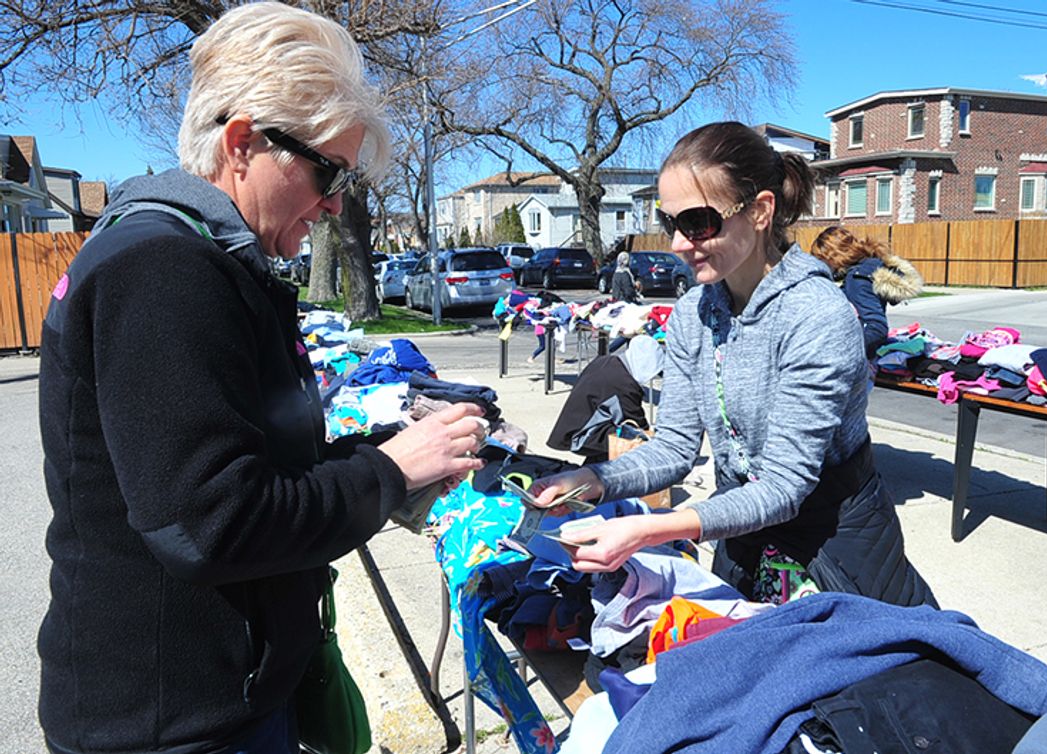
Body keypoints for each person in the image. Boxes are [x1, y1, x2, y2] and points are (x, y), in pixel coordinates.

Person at [36, 4, 486, 753]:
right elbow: (211, 524)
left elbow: (254, 466)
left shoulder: (207, 259)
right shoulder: (164, 269)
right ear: (242, 142)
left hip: (217, 699)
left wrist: (399, 450)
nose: (337, 200)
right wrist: (385, 471)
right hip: (176, 721)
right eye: (326, 170)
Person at [531, 121, 936, 609]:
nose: (679, 243)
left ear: (761, 211)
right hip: (740, 530)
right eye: (670, 222)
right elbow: (676, 448)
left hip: (835, 541)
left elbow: (785, 486)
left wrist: (651, 530)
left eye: (698, 221)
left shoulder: (817, 315)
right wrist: (595, 480)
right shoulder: (692, 312)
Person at [547, 334, 664, 464]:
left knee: (619, 432)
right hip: (579, 436)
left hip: (571, 427)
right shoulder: (624, 384)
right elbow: (635, 423)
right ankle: (602, 475)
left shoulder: (606, 361)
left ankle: (593, 471)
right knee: (629, 438)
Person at [810, 225, 923, 357]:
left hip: (861, 356)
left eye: (821, 260)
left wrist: (843, 355)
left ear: (832, 256)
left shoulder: (857, 278)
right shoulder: (870, 266)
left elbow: (876, 327)